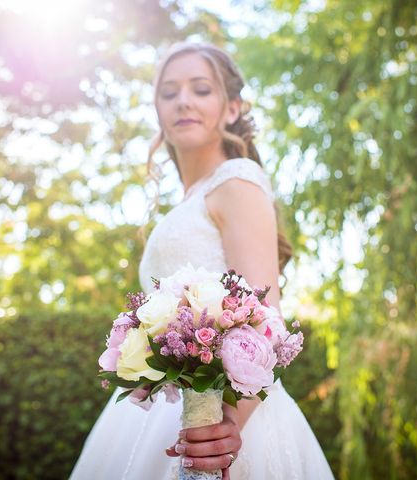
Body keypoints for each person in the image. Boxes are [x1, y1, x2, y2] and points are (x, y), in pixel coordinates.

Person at [69, 40, 335, 480]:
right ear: (157, 110)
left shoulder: (238, 181)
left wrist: (230, 425)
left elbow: (267, 318)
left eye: (201, 89)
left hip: (226, 417)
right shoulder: (190, 200)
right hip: (161, 409)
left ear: (232, 108)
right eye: (169, 92)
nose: (183, 101)